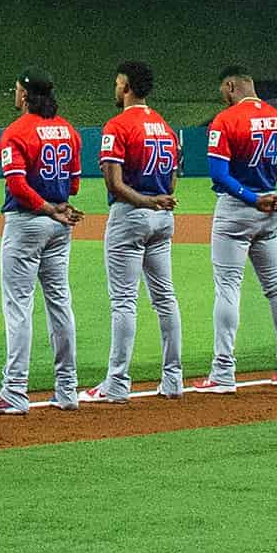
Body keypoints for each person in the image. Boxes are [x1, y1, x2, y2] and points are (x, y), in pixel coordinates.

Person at [0, 71, 87, 411]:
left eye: (16, 90)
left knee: (18, 305)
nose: (14, 95)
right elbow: (74, 186)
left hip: (28, 222)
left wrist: (45, 208)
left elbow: (17, 185)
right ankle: (67, 389)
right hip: (60, 224)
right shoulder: (70, 131)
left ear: (26, 96)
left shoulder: (16, 132)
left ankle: (15, 391)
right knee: (60, 303)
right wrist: (56, 207)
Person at [200, 62, 277, 390]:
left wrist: (249, 196)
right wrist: (264, 191)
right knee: (276, 287)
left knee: (228, 287)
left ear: (231, 86)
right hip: (270, 205)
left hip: (237, 207)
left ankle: (223, 371)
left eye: (222, 90)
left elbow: (218, 173)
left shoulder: (226, 120)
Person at [97, 62, 186, 400]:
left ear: (127, 86)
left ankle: (117, 383)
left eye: (117, 82)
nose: (115, 88)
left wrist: (147, 202)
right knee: (165, 298)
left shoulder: (118, 125)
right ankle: (173, 380)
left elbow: (114, 183)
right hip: (163, 217)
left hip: (131, 215)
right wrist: (160, 201)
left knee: (124, 301)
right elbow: (174, 174)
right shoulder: (164, 125)